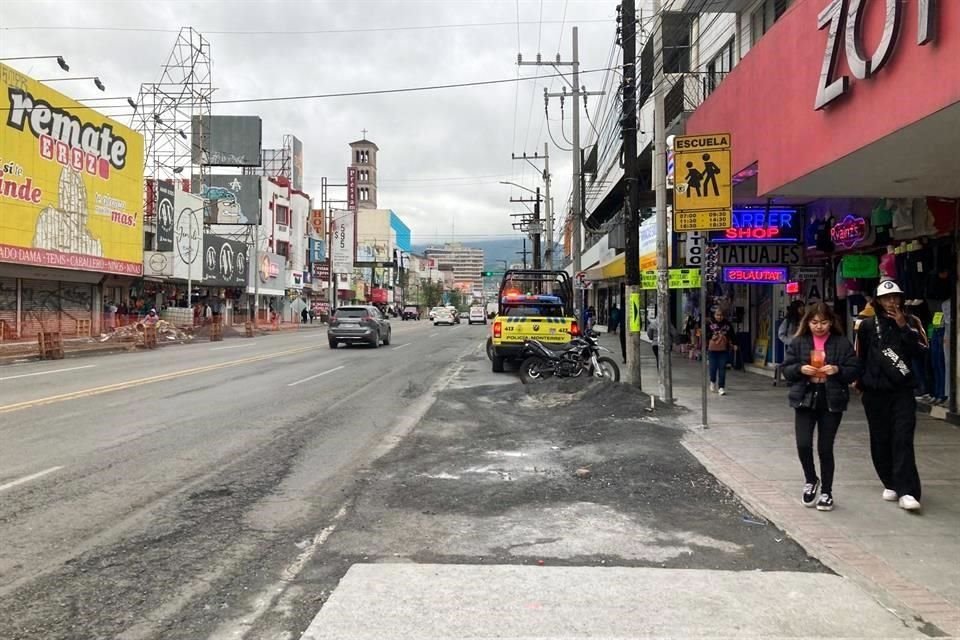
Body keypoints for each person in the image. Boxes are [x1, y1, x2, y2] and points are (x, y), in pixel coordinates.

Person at [855, 280, 928, 512]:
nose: (892, 302)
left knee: (902, 438)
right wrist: (859, 383)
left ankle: (908, 490)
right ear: (877, 301)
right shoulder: (866, 325)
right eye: (887, 298)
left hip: (902, 391)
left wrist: (903, 326)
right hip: (874, 392)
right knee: (880, 439)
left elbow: (922, 351)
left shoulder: (912, 321)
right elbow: (860, 356)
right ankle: (890, 482)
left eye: (895, 297)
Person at [781, 303, 860, 512]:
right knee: (803, 444)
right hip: (804, 398)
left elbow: (854, 369)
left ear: (831, 322)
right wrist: (800, 369)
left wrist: (837, 369)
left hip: (831, 399)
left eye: (823, 322)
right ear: (807, 322)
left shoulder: (841, 343)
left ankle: (827, 491)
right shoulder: (799, 342)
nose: (819, 327)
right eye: (815, 322)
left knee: (825, 448)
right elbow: (786, 369)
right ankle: (810, 479)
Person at [705, 308, 734, 396]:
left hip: (723, 350)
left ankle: (721, 387)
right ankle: (712, 381)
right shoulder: (710, 324)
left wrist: (735, 344)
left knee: (722, 369)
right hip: (712, 350)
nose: (719, 317)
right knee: (713, 368)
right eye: (717, 315)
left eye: (721, 315)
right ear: (714, 315)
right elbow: (706, 335)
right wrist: (712, 336)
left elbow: (732, 334)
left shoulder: (727, 324)